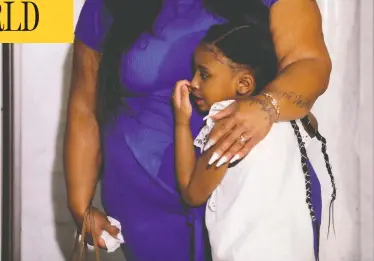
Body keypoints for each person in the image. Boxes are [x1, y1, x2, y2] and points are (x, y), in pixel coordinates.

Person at [64, 0, 332, 260]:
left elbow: (310, 62)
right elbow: (83, 107)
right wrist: (80, 205)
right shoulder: (108, 4)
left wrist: (266, 105)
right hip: (147, 212)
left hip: (252, 202)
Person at [173, 22, 335, 261]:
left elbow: (192, 192)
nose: (194, 83)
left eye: (204, 74)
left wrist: (181, 124)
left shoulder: (228, 126)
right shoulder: (293, 116)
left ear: (244, 84)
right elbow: (312, 126)